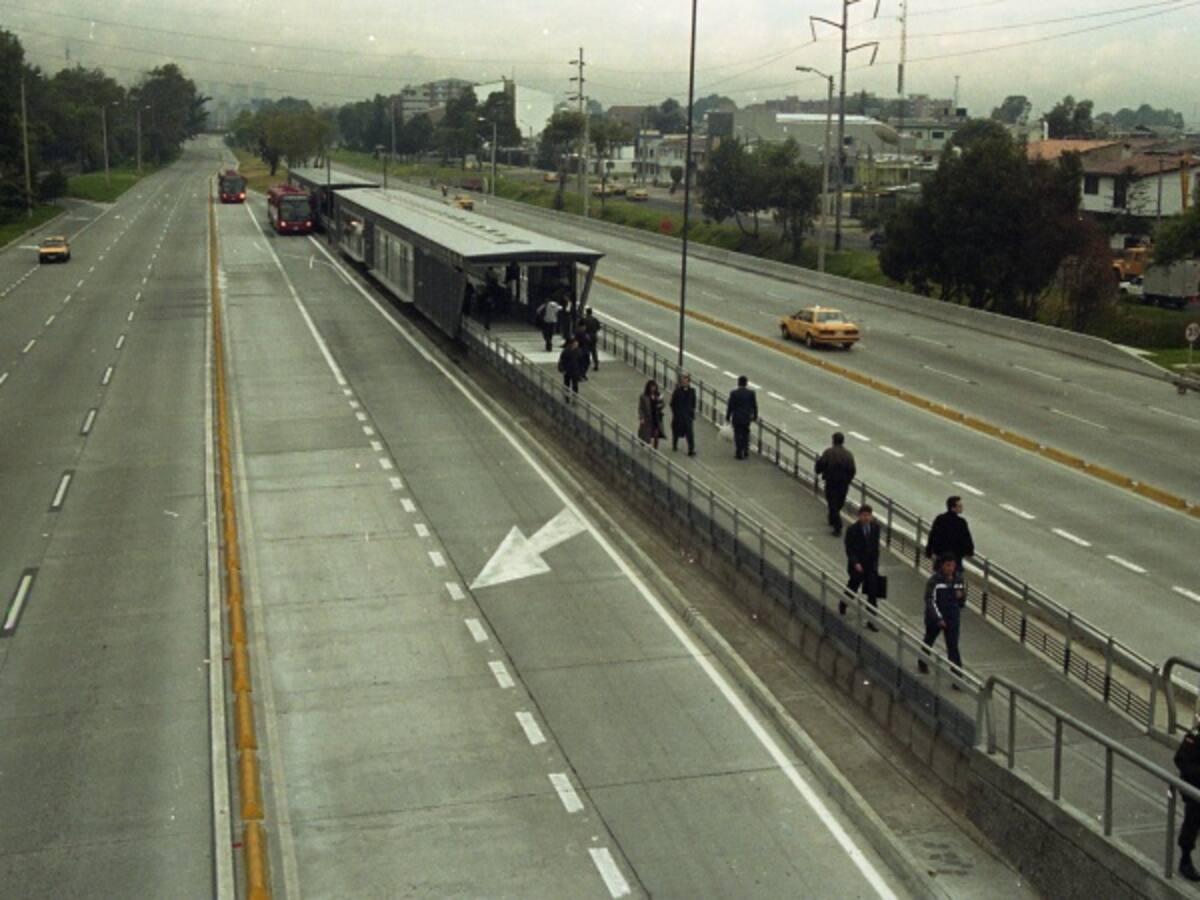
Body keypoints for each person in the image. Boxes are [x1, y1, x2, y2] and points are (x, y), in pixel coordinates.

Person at [919, 554, 966, 679]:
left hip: (952, 617)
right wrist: (938, 618)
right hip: (935, 618)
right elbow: (930, 600)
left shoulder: (958, 579)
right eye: (948, 565)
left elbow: (961, 602)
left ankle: (957, 675)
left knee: (953, 646)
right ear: (942, 565)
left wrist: (961, 597)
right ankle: (922, 661)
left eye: (953, 565)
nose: (951, 568)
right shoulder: (934, 581)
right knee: (929, 639)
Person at [842, 505, 881, 628]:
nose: (866, 518)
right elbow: (849, 549)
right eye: (864, 515)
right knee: (853, 587)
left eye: (868, 515)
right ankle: (843, 603)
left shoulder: (875, 528)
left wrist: (875, 564)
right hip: (857, 566)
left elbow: (875, 547)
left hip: (870, 566)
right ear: (859, 516)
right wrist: (855, 563)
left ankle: (871, 620)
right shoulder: (852, 530)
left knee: (872, 593)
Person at [815, 432, 856, 536]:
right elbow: (852, 470)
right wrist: (848, 480)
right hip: (843, 484)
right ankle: (833, 518)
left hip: (831, 482)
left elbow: (821, 464)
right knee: (839, 502)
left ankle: (837, 525)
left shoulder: (828, 452)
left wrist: (818, 470)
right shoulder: (848, 454)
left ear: (833, 440)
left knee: (832, 503)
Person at [1175, 720, 1200, 881]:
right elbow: (1181, 759)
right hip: (1195, 788)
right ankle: (1185, 860)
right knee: (1192, 822)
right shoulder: (1196, 735)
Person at [925, 495, 975, 575]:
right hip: (956, 560)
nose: (962, 508)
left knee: (939, 578)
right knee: (956, 579)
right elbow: (967, 540)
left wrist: (929, 551)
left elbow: (932, 536)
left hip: (941, 558)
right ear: (953, 508)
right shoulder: (961, 522)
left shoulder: (940, 519)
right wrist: (969, 552)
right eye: (959, 506)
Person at [725, 376, 758, 459]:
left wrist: (728, 416)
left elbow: (730, 406)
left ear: (738, 383)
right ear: (746, 383)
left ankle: (739, 452)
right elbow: (754, 406)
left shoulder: (734, 393)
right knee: (745, 434)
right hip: (746, 417)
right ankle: (746, 451)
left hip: (737, 417)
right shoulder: (751, 393)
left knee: (737, 434)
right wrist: (755, 416)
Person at [670, 374, 698, 456]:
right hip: (679, 416)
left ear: (689, 382)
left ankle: (691, 450)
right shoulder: (677, 391)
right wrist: (676, 412)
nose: (684, 383)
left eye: (686, 381)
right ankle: (674, 445)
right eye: (683, 381)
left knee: (690, 433)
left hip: (688, 416)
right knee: (676, 431)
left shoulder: (692, 391)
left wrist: (691, 411)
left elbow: (693, 402)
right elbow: (672, 403)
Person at [638, 380, 664, 448]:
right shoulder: (644, 396)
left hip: (656, 417)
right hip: (647, 417)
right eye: (652, 387)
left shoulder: (658, 395)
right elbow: (641, 408)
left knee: (656, 434)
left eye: (654, 387)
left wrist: (660, 405)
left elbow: (662, 404)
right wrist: (641, 417)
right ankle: (643, 442)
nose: (653, 388)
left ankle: (655, 448)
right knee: (645, 433)